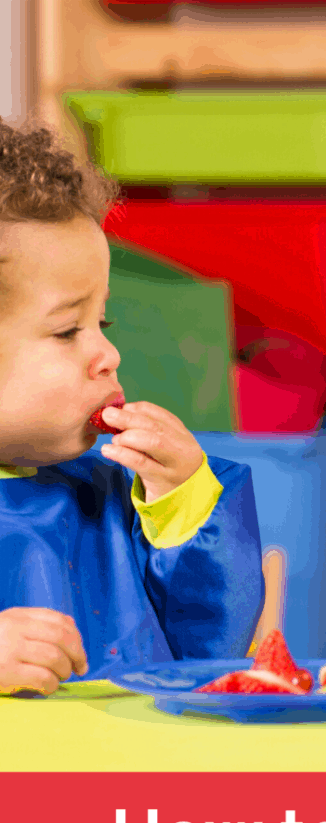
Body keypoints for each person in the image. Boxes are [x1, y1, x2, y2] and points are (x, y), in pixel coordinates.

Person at [0, 118, 264, 695]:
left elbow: (209, 649)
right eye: (69, 330)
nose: (109, 354)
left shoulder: (114, 493)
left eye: (104, 321)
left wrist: (185, 503)